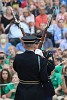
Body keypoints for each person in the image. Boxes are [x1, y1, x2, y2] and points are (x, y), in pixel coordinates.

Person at [13, 35, 49, 100]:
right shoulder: (40, 59)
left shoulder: (18, 57)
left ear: (24, 45)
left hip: (22, 89)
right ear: (34, 45)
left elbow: (16, 68)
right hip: (36, 90)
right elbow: (44, 77)